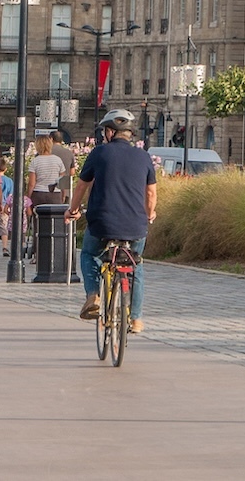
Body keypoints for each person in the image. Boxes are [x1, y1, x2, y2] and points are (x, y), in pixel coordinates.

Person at [68, 109, 157, 333]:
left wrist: (73, 210)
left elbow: (81, 186)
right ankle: (136, 319)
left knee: (89, 254)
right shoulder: (144, 156)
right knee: (136, 265)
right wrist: (149, 213)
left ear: (109, 131)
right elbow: (151, 194)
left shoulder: (99, 153)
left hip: (102, 223)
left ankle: (94, 296)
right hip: (136, 226)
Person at [29, 135, 68, 208]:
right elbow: (63, 180)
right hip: (55, 194)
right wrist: (63, 195)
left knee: (38, 217)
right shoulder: (58, 160)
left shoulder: (35, 161)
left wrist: (29, 197)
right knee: (55, 217)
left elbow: (32, 183)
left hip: (38, 193)